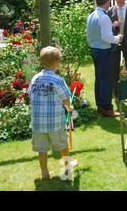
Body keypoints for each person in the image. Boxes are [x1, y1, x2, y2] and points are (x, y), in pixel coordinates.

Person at [28, 46, 78, 179]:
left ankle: (44, 172)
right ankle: (68, 166)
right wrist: (69, 107)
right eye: (59, 61)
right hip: (55, 122)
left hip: (38, 123)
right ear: (55, 62)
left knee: (42, 149)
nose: (60, 63)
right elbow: (65, 98)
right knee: (63, 144)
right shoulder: (58, 80)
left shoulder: (35, 78)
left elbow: (30, 95)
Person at [86, 0, 123, 117]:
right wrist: (117, 38)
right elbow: (106, 37)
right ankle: (107, 108)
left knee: (99, 78)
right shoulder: (104, 17)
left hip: (94, 49)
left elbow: (93, 33)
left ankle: (100, 105)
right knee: (107, 80)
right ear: (107, 2)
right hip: (103, 50)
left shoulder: (91, 15)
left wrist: (111, 26)